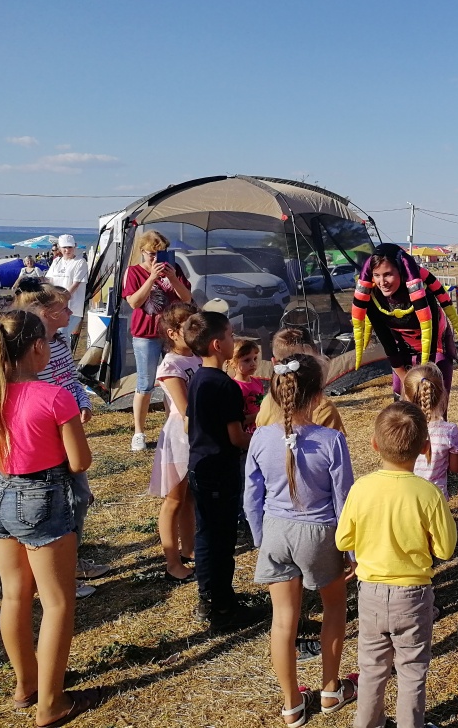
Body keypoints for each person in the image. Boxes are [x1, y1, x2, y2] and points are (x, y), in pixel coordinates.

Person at [0, 310, 103, 726]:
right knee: (58, 602)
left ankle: (25, 685)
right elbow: (80, 460)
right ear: (37, 347)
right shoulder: (54, 397)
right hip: (41, 498)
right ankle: (52, 703)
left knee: (14, 595)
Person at [244, 354, 358, 725]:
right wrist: (351, 550)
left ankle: (292, 704)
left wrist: (261, 538)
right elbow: (345, 500)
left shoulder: (260, 437)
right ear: (318, 395)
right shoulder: (332, 441)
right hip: (320, 534)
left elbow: (252, 496)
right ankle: (329, 689)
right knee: (334, 610)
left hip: (276, 531)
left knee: (283, 621)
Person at [336, 403, 457, 728]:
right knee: (412, 669)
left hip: (371, 596)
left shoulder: (361, 488)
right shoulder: (428, 493)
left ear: (375, 444)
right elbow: (446, 549)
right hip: (413, 597)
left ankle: (368, 724)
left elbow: (343, 540)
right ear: (423, 448)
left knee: (372, 668)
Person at [11, 281, 110, 600]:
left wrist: (82, 402)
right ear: (44, 313)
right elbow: (35, 390)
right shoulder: (30, 349)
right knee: (65, 499)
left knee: (77, 497)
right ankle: (58, 572)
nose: (71, 312)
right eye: (64, 307)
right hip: (47, 431)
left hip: (65, 423)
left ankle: (70, 562)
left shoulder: (61, 340)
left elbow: (69, 379)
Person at [184, 310, 260, 632]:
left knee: (206, 535)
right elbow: (236, 437)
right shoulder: (225, 386)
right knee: (222, 539)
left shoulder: (197, 378)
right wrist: (260, 438)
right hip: (220, 471)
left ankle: (208, 597)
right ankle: (223, 606)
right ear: (218, 344)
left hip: (199, 468)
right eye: (230, 335)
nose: (233, 339)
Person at [351, 243, 458, 400]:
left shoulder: (423, 295)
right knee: (401, 405)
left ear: (401, 271)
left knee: (434, 401)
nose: (382, 282)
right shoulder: (372, 297)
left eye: (387, 274)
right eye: (377, 275)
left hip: (436, 348)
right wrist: (405, 379)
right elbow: (387, 342)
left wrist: (423, 379)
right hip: (401, 351)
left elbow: (432, 342)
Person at [122, 230, 192, 452]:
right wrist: (152, 277)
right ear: (142, 252)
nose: (156, 259)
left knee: (174, 381)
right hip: (145, 334)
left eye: (161, 254)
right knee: (145, 383)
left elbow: (187, 298)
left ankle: (174, 426)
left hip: (172, 333)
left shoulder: (175, 269)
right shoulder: (133, 272)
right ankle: (139, 432)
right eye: (152, 254)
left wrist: (171, 277)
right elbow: (134, 303)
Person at [150, 302, 201, 582]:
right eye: (190, 326)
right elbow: (185, 410)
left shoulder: (197, 356)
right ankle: (172, 563)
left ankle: (189, 550)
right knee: (173, 499)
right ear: (172, 333)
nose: (196, 331)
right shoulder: (171, 365)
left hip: (196, 437)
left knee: (188, 498)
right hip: (179, 440)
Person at [255, 327, 347, 436]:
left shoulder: (267, 403)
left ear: (274, 362)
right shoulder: (325, 409)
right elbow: (335, 447)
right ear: (315, 362)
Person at [402, 363, 458, 499]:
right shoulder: (449, 430)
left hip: (408, 498)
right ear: (442, 394)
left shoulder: (401, 428)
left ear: (406, 396)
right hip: (436, 499)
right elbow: (456, 468)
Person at [44, 234, 89, 341]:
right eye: (64, 247)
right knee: (55, 334)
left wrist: (62, 298)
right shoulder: (56, 261)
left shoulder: (80, 262)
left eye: (70, 247)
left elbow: (76, 284)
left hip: (72, 307)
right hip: (56, 306)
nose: (67, 250)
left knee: (63, 335)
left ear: (75, 247)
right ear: (59, 248)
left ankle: (66, 357)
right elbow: (49, 280)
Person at [228, 338, 264, 433]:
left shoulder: (257, 382)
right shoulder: (232, 386)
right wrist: (256, 416)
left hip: (259, 431)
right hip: (243, 434)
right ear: (233, 363)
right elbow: (234, 420)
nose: (253, 364)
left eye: (255, 359)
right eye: (247, 360)